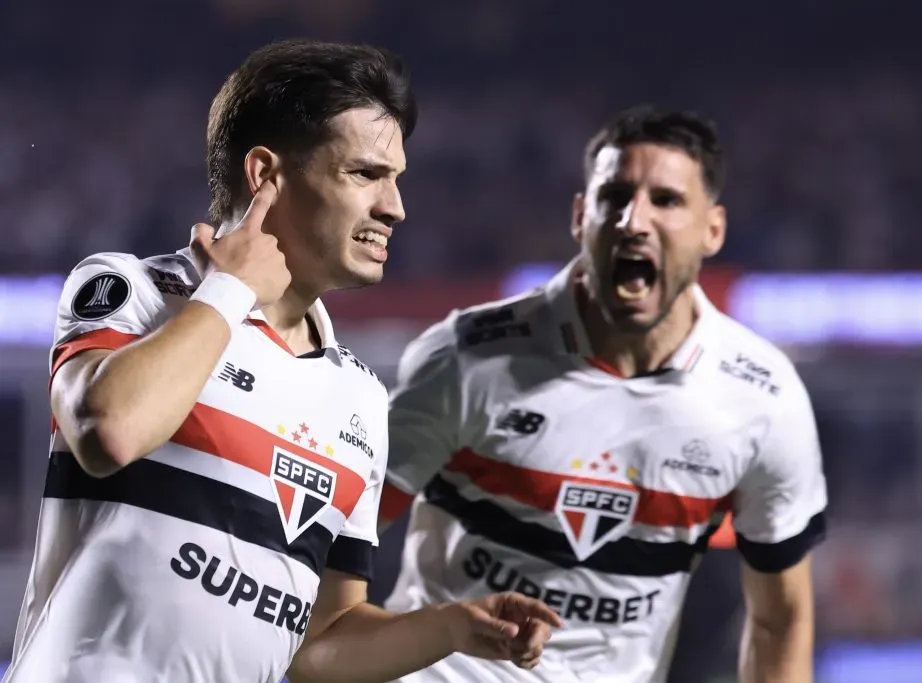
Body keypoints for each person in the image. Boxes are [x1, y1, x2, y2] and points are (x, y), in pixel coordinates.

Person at [3, 39, 560, 683]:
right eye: (364, 174)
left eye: (396, 179)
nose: (395, 207)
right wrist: (231, 292)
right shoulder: (136, 291)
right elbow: (109, 430)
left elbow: (316, 646)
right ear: (266, 175)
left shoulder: (359, 400)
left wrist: (453, 626)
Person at [379, 105, 828, 683]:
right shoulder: (465, 357)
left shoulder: (762, 398)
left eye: (665, 200)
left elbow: (780, 621)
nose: (633, 220)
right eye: (614, 197)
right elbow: (336, 538)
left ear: (712, 229)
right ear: (579, 216)